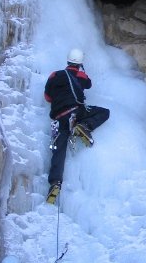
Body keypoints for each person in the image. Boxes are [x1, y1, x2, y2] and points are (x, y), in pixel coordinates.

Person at [44, 48, 110, 203]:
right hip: (76, 112)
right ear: (79, 63)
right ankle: (85, 126)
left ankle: (55, 182)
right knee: (104, 112)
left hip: (59, 118)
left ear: (67, 61)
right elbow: (88, 84)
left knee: (58, 150)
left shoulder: (54, 75)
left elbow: (47, 97)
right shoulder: (79, 75)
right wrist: (82, 71)